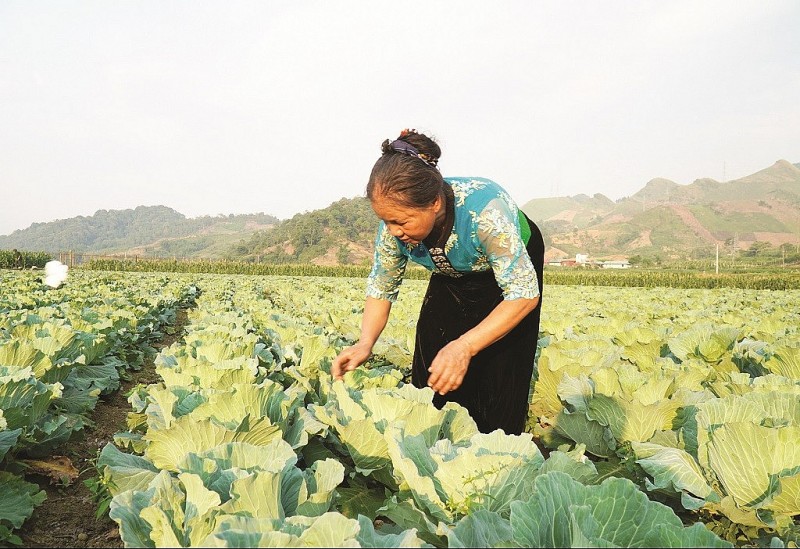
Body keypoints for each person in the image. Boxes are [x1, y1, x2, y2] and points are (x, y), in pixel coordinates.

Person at [331, 129, 544, 435]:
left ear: (433, 203)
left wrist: (466, 346)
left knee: (500, 360)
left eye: (401, 221)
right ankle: (434, 437)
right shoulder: (395, 230)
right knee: (433, 347)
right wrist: (366, 342)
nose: (393, 231)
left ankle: (498, 445)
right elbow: (382, 286)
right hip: (451, 268)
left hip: (509, 264)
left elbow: (523, 295)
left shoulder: (486, 213)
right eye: (386, 221)